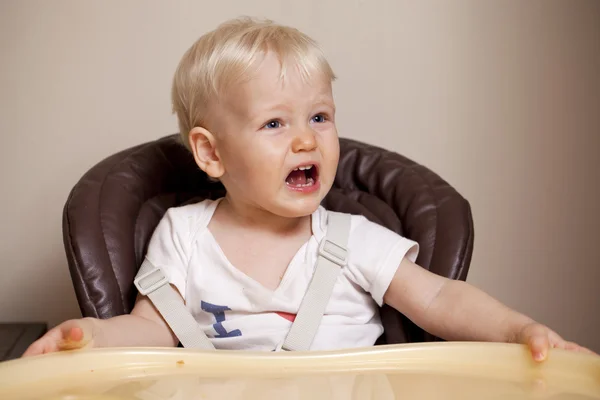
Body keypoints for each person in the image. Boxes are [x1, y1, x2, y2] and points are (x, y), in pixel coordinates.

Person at [24, 17, 594, 359]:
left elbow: (441, 299)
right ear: (211, 153)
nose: (306, 140)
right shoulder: (185, 234)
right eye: (275, 123)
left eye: (319, 117)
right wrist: (90, 336)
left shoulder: (351, 240)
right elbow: (151, 329)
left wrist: (517, 329)